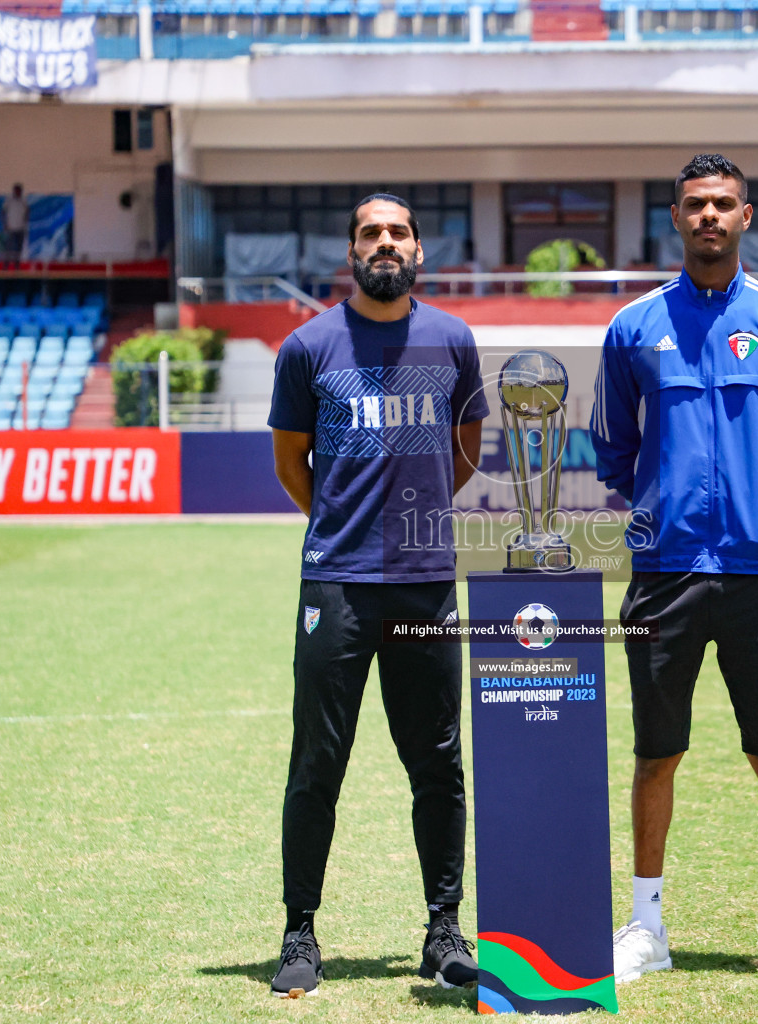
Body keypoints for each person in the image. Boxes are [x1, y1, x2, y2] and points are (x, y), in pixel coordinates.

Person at [589, 154, 758, 988]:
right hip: (663, 575)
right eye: (695, 204)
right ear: (674, 217)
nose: (709, 215)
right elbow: (610, 447)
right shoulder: (635, 327)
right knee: (654, 755)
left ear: (747, 216)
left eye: (723, 204)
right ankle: (646, 927)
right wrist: (662, 508)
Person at [266, 193, 488, 999]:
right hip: (337, 581)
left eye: (397, 232)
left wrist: (416, 521)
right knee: (317, 763)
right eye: (370, 233)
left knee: (437, 762)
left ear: (418, 251)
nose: (384, 243)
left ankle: (443, 928)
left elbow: (467, 450)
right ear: (351, 251)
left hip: (427, 581)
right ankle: (299, 932)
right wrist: (340, 523)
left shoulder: (452, 340)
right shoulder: (309, 346)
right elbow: (293, 461)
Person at [1, 184, 29, 269]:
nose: (18, 192)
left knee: (18, 249)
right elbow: (3, 212)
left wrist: (25, 222)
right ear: (14, 191)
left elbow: (27, 211)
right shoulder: (9, 201)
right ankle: (6, 266)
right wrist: (5, 223)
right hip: (11, 228)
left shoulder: (23, 201)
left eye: (19, 191)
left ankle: (17, 266)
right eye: (17, 191)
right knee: (9, 248)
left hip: (20, 228)